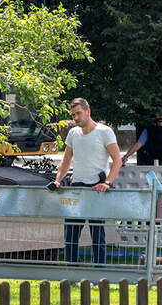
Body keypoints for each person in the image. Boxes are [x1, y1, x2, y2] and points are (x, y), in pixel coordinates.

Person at [48, 98, 122, 265]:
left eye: (79, 113)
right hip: (76, 188)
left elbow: (117, 160)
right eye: (73, 115)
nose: (76, 118)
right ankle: (72, 271)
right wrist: (57, 181)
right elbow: (66, 161)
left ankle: (99, 272)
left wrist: (108, 183)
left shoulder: (105, 132)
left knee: (97, 235)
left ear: (88, 112)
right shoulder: (73, 133)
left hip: (97, 188)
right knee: (71, 235)